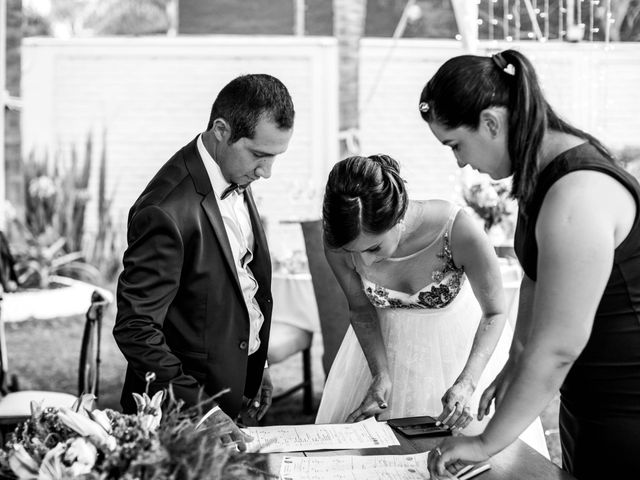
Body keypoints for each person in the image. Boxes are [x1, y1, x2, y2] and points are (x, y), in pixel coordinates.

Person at [420, 49, 640, 480]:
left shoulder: (577, 191)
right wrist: (515, 361)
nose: (461, 162)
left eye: (456, 145)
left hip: (628, 405)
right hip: (590, 397)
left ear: (491, 122)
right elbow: (536, 277)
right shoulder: (542, 173)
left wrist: (486, 442)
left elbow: (559, 345)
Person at [315, 154, 547, 455]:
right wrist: (380, 375)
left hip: (459, 357)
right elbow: (360, 309)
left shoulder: (457, 229)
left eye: (374, 247)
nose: (364, 260)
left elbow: (495, 310)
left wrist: (467, 382)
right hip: (379, 354)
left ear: (397, 217)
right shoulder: (338, 240)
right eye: (353, 251)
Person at [113, 74, 295, 450]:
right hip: (177, 423)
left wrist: (256, 364)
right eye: (260, 155)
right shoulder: (164, 209)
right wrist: (201, 411)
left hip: (229, 402)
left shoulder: (232, 173)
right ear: (221, 130)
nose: (267, 172)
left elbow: (240, 284)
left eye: (275, 157)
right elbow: (136, 328)